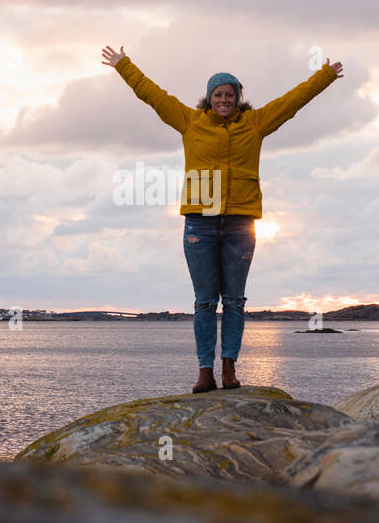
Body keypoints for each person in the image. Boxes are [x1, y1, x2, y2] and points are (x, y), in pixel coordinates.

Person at [100, 44, 344, 392]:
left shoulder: (256, 124)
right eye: (218, 94)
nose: (224, 100)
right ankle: (204, 371)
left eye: (230, 94)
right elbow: (152, 95)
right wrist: (124, 65)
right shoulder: (188, 121)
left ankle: (229, 368)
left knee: (233, 301)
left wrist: (324, 76)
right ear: (209, 97)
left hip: (240, 224)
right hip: (200, 222)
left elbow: (292, 102)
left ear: (238, 97)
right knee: (203, 302)